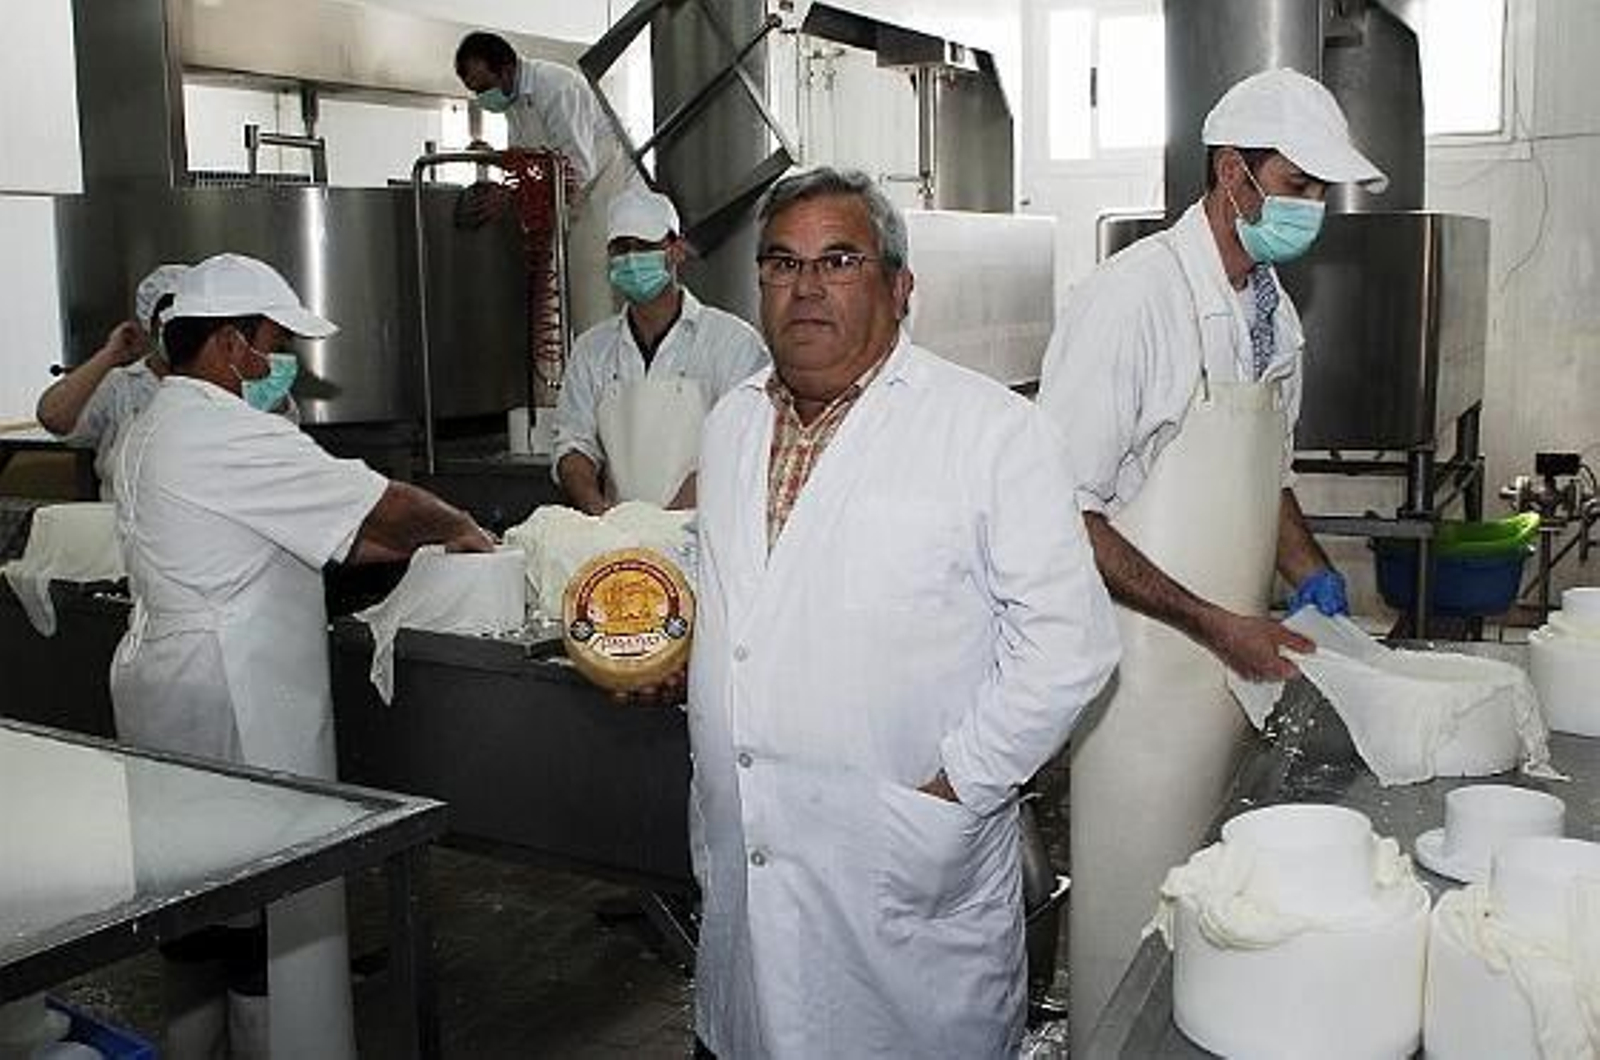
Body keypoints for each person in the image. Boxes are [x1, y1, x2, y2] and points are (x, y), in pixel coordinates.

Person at [685, 167, 1120, 1058]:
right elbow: (746, 604)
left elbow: (1070, 649)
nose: (805, 287)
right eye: (781, 262)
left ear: (899, 286)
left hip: (906, 875)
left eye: (839, 260)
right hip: (752, 869)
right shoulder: (729, 424)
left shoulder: (993, 432)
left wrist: (953, 790)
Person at [1035, 68, 1388, 1028]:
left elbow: (1263, 475)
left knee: (1217, 925)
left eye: (1322, 192)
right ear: (1234, 174)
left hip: (1234, 676)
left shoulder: (1278, 316)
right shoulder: (1132, 302)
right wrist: (1206, 621)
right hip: (1142, 685)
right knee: (1133, 923)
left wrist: (1308, 570)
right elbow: (1058, 512)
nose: (1313, 209)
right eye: (1301, 185)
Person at [110, 253, 493, 1060]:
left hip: (166, 693)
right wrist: (460, 527)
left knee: (196, 924)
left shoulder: (152, 425)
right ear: (225, 344)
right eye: (269, 343)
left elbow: (342, 537)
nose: (275, 362)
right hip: (236, 699)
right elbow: (382, 506)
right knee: (266, 932)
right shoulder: (230, 432)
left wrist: (398, 539)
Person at [552, 187, 768, 514]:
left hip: (705, 532)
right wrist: (602, 516)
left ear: (676, 250)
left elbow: (744, 447)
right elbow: (573, 444)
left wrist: (664, 526)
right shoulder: (591, 351)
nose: (631, 259)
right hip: (619, 543)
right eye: (621, 249)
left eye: (644, 247)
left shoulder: (732, 343)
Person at [454, 30, 645, 331]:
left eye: (485, 87)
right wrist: (497, 159)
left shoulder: (557, 87)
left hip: (603, 190)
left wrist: (513, 198)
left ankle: (606, 372)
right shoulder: (512, 100)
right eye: (475, 92)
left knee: (592, 298)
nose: (483, 98)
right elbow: (530, 157)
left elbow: (578, 169)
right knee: (576, 300)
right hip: (573, 198)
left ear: (506, 70)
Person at [35, 264, 185, 497]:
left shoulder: (227, 383)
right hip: (120, 524)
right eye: (174, 326)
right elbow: (53, 416)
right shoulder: (122, 385)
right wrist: (110, 354)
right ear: (152, 326)